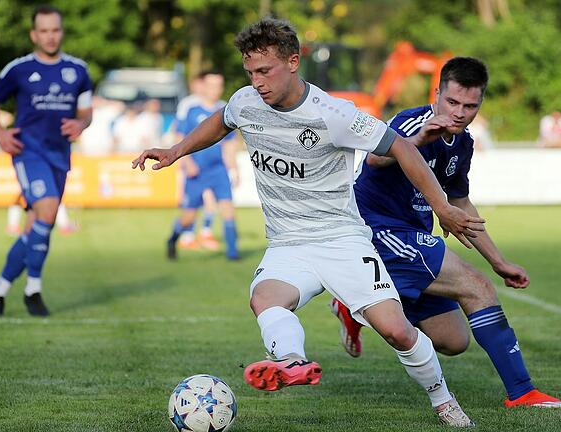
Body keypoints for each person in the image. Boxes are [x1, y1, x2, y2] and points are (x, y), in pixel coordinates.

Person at [133, 18, 486, 427]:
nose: (257, 82)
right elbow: (222, 120)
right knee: (264, 298)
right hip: (288, 243)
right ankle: (292, 362)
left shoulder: (333, 113)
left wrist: (441, 206)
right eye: (250, 72)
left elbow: (402, 147)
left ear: (294, 61)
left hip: (342, 241)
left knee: (398, 332)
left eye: (265, 71)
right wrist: (177, 150)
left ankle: (444, 401)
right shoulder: (247, 101)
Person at [330, 57, 561, 409]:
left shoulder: (463, 144)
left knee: (453, 341)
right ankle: (523, 392)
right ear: (437, 95)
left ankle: (358, 302)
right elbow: (375, 159)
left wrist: (499, 261)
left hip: (412, 234)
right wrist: (418, 139)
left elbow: (460, 202)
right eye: (452, 102)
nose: (460, 112)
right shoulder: (411, 121)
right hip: (376, 228)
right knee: (476, 288)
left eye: (470, 106)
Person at [0, 5, 92, 317]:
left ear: (61, 32)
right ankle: (33, 290)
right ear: (34, 34)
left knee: (39, 223)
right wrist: (0, 133)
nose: (50, 36)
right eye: (43, 31)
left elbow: (86, 112)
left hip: (60, 155)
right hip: (28, 151)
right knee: (47, 209)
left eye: (55, 30)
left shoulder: (78, 70)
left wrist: (81, 125)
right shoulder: (18, 69)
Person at [166, 70, 240, 261]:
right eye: (212, 85)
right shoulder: (192, 110)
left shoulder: (225, 109)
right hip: (196, 171)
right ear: (204, 87)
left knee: (227, 209)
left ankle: (233, 253)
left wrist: (234, 168)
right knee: (189, 216)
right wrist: (186, 161)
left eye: (219, 85)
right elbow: (179, 137)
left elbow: (230, 143)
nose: (216, 89)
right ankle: (173, 238)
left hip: (218, 170)